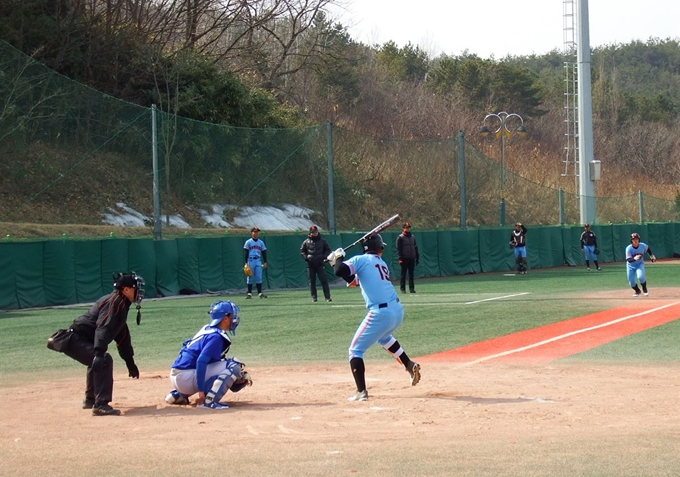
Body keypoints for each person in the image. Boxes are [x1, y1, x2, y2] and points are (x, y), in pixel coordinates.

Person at [327, 234, 421, 402]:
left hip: (381, 313)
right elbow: (352, 279)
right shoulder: (379, 263)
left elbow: (341, 271)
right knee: (384, 338)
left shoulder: (361, 259)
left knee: (355, 350)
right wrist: (335, 262)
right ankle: (408, 364)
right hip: (397, 311)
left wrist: (339, 258)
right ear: (378, 247)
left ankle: (361, 392)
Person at [47, 272, 145, 416]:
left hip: (79, 339)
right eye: (136, 288)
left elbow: (122, 336)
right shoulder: (115, 302)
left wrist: (130, 362)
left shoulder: (120, 303)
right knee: (103, 360)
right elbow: (103, 327)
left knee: (98, 360)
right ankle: (101, 405)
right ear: (126, 289)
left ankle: (90, 399)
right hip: (73, 338)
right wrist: (99, 352)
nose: (139, 292)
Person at [165, 301, 253, 409]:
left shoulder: (207, 329)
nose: (234, 319)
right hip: (185, 378)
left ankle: (178, 395)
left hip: (177, 376)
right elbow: (201, 362)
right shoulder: (215, 337)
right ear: (225, 318)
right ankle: (209, 402)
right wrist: (201, 391)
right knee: (233, 367)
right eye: (232, 316)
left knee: (222, 364)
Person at [300, 225, 332, 302]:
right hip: (310, 265)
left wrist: (324, 257)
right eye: (313, 232)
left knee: (324, 280)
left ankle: (327, 297)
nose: (314, 234)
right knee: (312, 282)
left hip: (320, 264)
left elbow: (327, 250)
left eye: (316, 232)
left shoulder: (323, 241)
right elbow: (302, 251)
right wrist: (306, 258)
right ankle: (314, 297)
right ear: (310, 233)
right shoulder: (306, 242)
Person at [625, 232, 656, 297]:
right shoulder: (628, 248)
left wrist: (651, 255)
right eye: (633, 239)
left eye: (637, 239)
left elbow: (648, 249)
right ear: (631, 241)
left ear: (639, 240)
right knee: (631, 283)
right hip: (630, 266)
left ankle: (644, 288)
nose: (635, 241)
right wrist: (634, 258)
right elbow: (628, 260)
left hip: (639, 264)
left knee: (640, 277)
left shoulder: (642, 245)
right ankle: (637, 291)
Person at [243, 226, 268, 298]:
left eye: (257, 232)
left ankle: (260, 293)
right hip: (250, 260)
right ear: (252, 233)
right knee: (250, 277)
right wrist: (246, 263)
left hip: (258, 260)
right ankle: (249, 294)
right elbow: (246, 253)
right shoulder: (248, 242)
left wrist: (265, 262)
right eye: (254, 232)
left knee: (258, 277)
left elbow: (263, 252)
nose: (256, 233)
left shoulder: (261, 242)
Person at [396, 221, 420, 293]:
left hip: (411, 257)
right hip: (404, 258)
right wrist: (400, 258)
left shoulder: (412, 237)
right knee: (403, 274)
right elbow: (398, 248)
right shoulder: (400, 237)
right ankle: (402, 289)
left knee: (411, 274)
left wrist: (417, 256)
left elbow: (415, 247)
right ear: (403, 228)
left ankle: (411, 288)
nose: (408, 229)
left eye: (409, 228)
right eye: (406, 228)